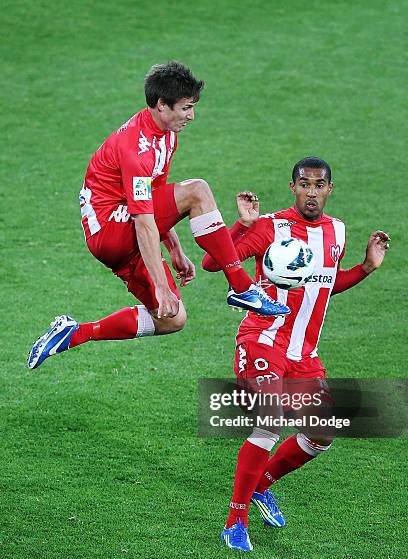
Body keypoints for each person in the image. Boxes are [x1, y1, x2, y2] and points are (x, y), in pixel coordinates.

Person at [27, 61, 289, 370]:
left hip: (125, 234)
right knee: (198, 191)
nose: (191, 115)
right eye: (186, 107)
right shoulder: (137, 150)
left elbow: (154, 202)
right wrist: (160, 285)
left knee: (172, 318)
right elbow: (144, 219)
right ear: (162, 105)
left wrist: (175, 250)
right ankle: (242, 287)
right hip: (111, 230)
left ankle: (74, 334)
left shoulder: (166, 136)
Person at [202, 156, 390, 551]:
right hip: (262, 340)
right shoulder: (272, 226)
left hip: (304, 352)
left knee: (321, 433)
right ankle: (235, 520)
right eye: (304, 184)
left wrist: (366, 268)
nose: (311, 192)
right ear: (293, 187)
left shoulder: (336, 231)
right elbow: (211, 260)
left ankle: (261, 486)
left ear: (329, 190)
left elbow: (324, 284)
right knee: (270, 421)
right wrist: (244, 224)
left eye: (319, 185)